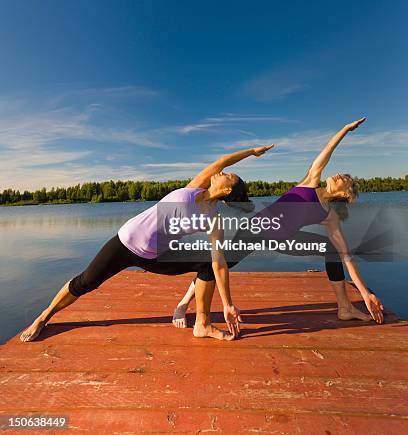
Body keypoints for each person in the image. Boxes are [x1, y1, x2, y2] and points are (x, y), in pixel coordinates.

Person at [19, 145, 274, 343]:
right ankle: (43, 317)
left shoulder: (213, 219)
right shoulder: (196, 187)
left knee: (208, 263)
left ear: (227, 191)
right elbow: (221, 161)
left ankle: (202, 324)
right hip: (124, 242)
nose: (222, 173)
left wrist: (227, 303)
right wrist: (252, 152)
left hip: (155, 256)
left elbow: (219, 263)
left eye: (227, 176)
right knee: (86, 281)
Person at [172, 118, 385, 329]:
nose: (338, 174)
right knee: (219, 264)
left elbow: (347, 258)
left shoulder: (329, 216)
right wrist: (345, 129)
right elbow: (328, 149)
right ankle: (182, 305)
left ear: (345, 194)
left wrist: (366, 293)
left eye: (344, 179)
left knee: (332, 250)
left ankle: (345, 307)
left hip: (282, 239)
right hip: (256, 228)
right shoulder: (310, 181)